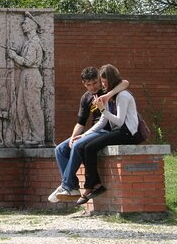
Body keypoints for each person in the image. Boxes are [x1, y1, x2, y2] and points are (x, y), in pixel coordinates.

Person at [48, 67, 128, 202]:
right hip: (93, 130)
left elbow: (125, 83)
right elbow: (80, 123)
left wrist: (108, 94)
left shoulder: (106, 89)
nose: (93, 87)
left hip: (106, 130)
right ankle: (72, 186)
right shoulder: (86, 98)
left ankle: (66, 185)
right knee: (61, 149)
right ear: (83, 84)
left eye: (95, 83)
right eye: (88, 85)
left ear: (100, 80)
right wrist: (73, 137)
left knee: (78, 145)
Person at [76, 64, 141, 204]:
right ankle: (97, 184)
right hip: (118, 131)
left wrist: (103, 110)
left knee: (89, 148)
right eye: (102, 82)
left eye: (104, 82)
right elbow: (102, 121)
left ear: (111, 81)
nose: (102, 85)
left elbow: (119, 121)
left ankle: (88, 188)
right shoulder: (110, 96)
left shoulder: (123, 95)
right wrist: (84, 135)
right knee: (82, 146)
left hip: (128, 133)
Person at [8, 12, 45, 146]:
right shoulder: (28, 42)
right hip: (26, 75)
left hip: (32, 75)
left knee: (33, 106)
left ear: (31, 26)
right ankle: (26, 135)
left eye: (25, 23)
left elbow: (28, 62)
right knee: (21, 106)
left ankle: (38, 136)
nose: (22, 25)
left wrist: (13, 56)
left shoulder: (35, 43)